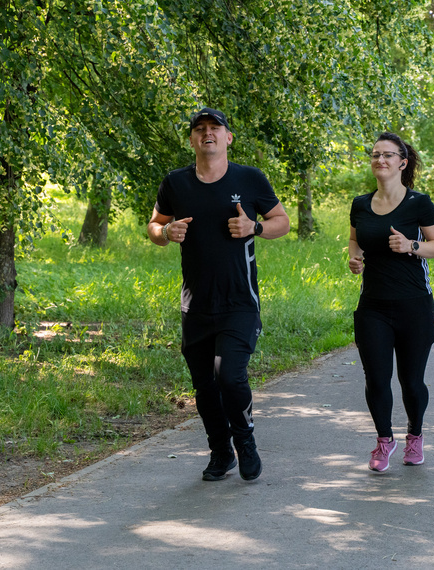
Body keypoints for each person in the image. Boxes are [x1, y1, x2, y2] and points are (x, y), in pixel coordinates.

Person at [147, 107, 290, 482]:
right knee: (204, 386)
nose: (207, 133)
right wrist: (164, 233)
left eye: (215, 128)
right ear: (192, 139)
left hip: (240, 302)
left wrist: (253, 227)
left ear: (228, 138)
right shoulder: (175, 183)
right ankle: (220, 451)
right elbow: (154, 223)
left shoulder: (250, 179)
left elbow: (282, 223)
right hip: (195, 304)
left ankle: (245, 442)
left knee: (229, 377)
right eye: (200, 129)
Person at [348, 132, 434, 473]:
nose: (380, 160)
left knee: (411, 381)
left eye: (388, 155)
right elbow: (354, 240)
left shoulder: (419, 203)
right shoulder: (360, 204)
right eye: (376, 155)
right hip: (373, 306)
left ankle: (415, 435)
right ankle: (384, 439)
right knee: (376, 379)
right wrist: (355, 258)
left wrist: (411, 247)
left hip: (414, 306)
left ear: (402, 163)